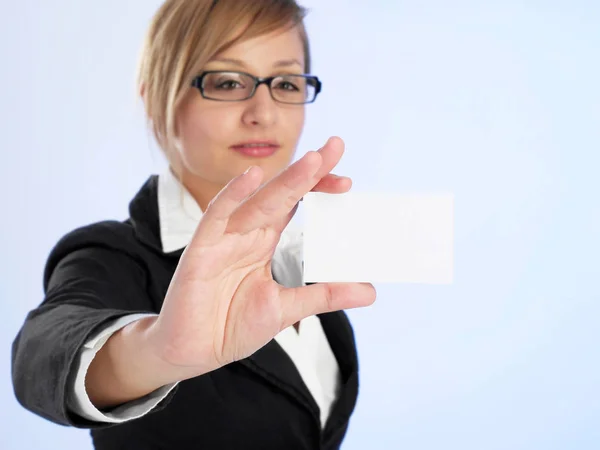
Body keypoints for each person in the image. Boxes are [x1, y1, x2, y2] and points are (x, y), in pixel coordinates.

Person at [11, 0, 376, 449]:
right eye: (227, 82)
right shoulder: (110, 255)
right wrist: (157, 350)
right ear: (156, 98)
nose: (263, 111)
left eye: (284, 82)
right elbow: (42, 354)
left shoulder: (305, 249)